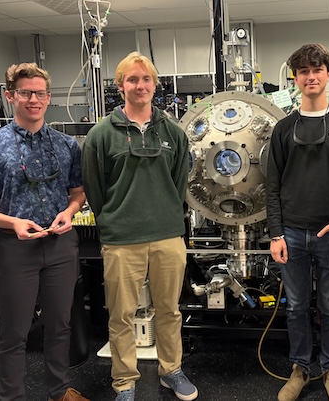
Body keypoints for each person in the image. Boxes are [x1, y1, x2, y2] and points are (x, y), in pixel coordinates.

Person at [0, 63, 88, 401]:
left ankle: (59, 391)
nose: (34, 99)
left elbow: (78, 193)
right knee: (14, 331)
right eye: (26, 93)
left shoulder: (66, 145)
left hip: (59, 244)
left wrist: (69, 212)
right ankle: (12, 397)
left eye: (40, 93)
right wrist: (13, 222)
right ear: (10, 96)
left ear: (48, 97)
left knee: (59, 325)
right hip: (11, 248)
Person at [81, 51, 196, 401]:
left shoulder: (173, 133)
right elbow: (95, 189)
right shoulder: (101, 135)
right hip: (121, 240)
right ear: (120, 86)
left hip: (167, 237)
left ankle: (171, 370)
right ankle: (125, 382)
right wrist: (114, 220)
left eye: (146, 79)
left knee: (169, 311)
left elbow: (178, 184)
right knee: (121, 316)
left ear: (155, 85)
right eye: (132, 79)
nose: (140, 85)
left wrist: (165, 214)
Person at [266, 43, 329, 401]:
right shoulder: (283, 128)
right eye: (303, 71)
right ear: (295, 78)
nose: (310, 76)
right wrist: (276, 233)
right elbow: (272, 185)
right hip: (291, 233)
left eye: (317, 69)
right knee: (295, 307)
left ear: (327, 74)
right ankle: (300, 368)